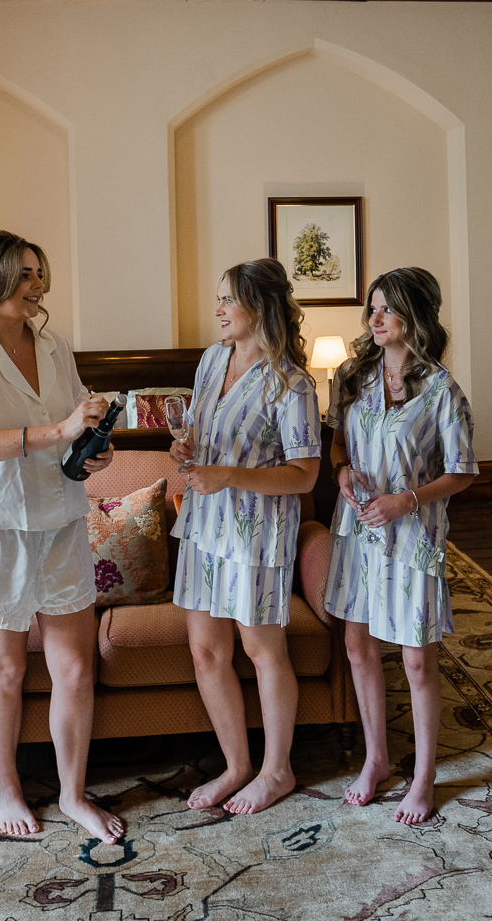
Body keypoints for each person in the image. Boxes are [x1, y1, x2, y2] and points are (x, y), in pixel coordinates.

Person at [0, 227, 125, 844]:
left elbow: (75, 422)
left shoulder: (55, 345)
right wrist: (59, 430)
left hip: (60, 518)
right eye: (25, 275)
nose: (38, 286)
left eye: (41, 273)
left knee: (75, 669)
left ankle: (72, 794)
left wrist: (95, 449)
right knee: (7, 670)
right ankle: (6, 783)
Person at [324, 267, 476, 824]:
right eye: (373, 308)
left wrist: (406, 501)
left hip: (413, 533)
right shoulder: (354, 375)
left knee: (416, 659)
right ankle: (377, 759)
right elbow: (338, 436)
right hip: (358, 528)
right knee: (358, 647)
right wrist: (341, 471)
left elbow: (462, 472)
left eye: (388, 309)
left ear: (415, 316)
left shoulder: (441, 390)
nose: (376, 318)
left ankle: (425, 775)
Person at [170, 259, 321, 815]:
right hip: (203, 528)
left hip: (256, 535)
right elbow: (197, 436)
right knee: (207, 652)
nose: (217, 311)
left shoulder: (292, 381)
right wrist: (183, 450)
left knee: (261, 650)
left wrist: (229, 474)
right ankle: (236, 766)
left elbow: (306, 474)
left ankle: (276, 771)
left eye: (227, 301)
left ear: (258, 307)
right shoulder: (212, 361)